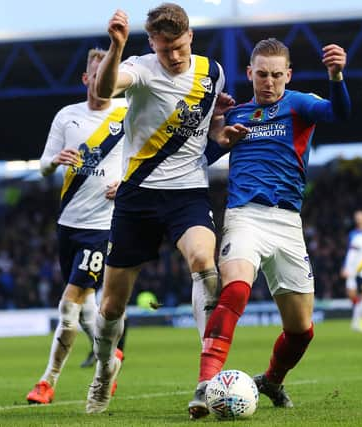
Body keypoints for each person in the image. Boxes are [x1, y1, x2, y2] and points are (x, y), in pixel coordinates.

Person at [188, 38, 351, 419]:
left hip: (288, 224)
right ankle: (204, 385)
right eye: (262, 74)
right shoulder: (237, 113)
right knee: (236, 291)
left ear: (288, 75)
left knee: (301, 331)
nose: (269, 82)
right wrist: (216, 131)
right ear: (249, 74)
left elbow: (339, 114)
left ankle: (272, 381)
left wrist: (337, 76)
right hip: (244, 216)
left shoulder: (299, 104)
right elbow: (204, 158)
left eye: (277, 75)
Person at [85, 3, 235, 414]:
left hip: (187, 192)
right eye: (165, 48)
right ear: (152, 43)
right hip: (137, 197)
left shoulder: (213, 72)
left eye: (180, 47)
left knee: (206, 264)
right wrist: (116, 47)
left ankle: (207, 379)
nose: (174, 56)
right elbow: (102, 90)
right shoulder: (139, 68)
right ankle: (103, 371)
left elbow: (209, 128)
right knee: (112, 305)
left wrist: (222, 130)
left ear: (191, 38)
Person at [25, 48, 128, 405]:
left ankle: (47, 381)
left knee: (69, 304)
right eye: (96, 76)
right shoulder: (67, 116)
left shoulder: (128, 114)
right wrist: (53, 161)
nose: (102, 82)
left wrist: (128, 184)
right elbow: (41, 165)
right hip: (68, 224)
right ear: (87, 79)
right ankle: (110, 359)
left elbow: (148, 157)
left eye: (108, 77)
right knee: (86, 310)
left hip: (104, 228)